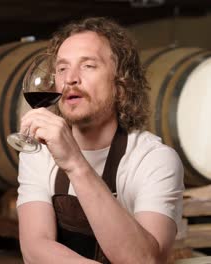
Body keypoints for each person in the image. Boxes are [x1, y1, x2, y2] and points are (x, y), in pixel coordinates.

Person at [16, 17, 184, 264]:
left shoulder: (154, 159)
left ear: (121, 84)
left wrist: (75, 163)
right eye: (62, 68)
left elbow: (145, 261)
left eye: (88, 66)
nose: (70, 78)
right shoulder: (38, 152)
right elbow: (35, 247)